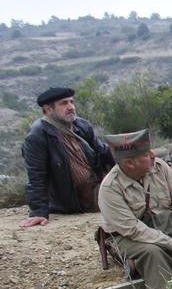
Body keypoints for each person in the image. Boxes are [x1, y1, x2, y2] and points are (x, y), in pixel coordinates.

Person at [97, 129, 172, 289]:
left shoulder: (160, 168)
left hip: (164, 223)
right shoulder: (110, 189)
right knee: (153, 253)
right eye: (146, 154)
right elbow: (134, 230)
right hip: (128, 236)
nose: (153, 155)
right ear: (130, 163)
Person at [19, 87, 115, 228]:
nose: (71, 107)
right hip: (77, 197)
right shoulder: (37, 136)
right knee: (128, 197)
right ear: (48, 109)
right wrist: (38, 211)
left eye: (71, 102)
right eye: (64, 103)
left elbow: (103, 152)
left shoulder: (81, 125)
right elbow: (36, 176)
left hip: (100, 182)